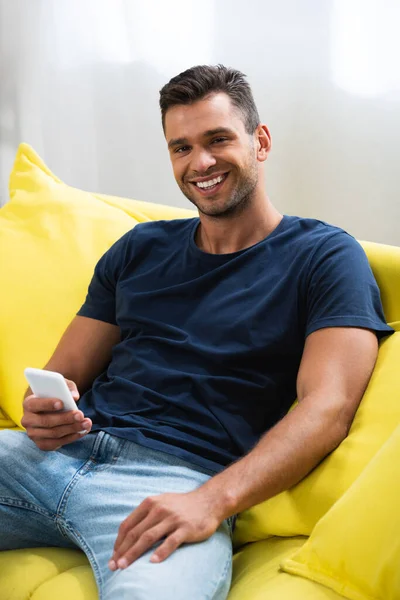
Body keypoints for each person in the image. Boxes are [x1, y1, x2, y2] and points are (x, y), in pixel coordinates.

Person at [0, 65, 393, 600]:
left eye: (218, 140)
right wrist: (41, 411)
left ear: (261, 141)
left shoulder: (325, 257)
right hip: (47, 458)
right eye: (181, 147)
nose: (200, 163)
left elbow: (326, 409)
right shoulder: (139, 248)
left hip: (175, 484)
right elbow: (59, 375)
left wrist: (212, 501)